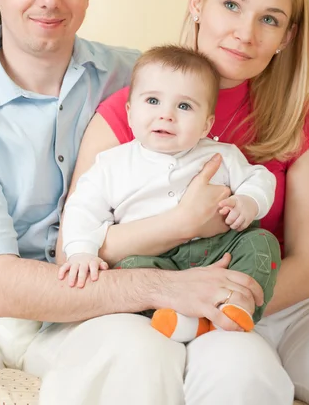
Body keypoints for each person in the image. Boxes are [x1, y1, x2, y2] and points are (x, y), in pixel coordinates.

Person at [0, 0, 265, 405]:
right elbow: (1, 289)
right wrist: (160, 289)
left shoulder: (138, 78)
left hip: (94, 300)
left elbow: (223, 109)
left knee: (145, 355)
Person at [57, 0, 309, 405]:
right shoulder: (131, 111)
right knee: (234, 371)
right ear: (197, 4)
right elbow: (72, 250)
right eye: (231, 5)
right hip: (161, 298)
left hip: (279, 299)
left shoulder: (303, 119)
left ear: (287, 36)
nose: (245, 33)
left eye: (269, 19)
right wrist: (181, 243)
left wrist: (230, 304)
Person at [59, 44, 280, 341]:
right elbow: (82, 209)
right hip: (153, 262)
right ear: (130, 111)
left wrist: (249, 201)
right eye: (152, 100)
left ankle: (234, 308)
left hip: (219, 249)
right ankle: (179, 319)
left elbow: (260, 178)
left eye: (184, 106)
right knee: (127, 270)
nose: (166, 115)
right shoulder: (111, 165)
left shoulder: (222, 155)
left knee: (262, 243)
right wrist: (82, 251)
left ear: (206, 124)